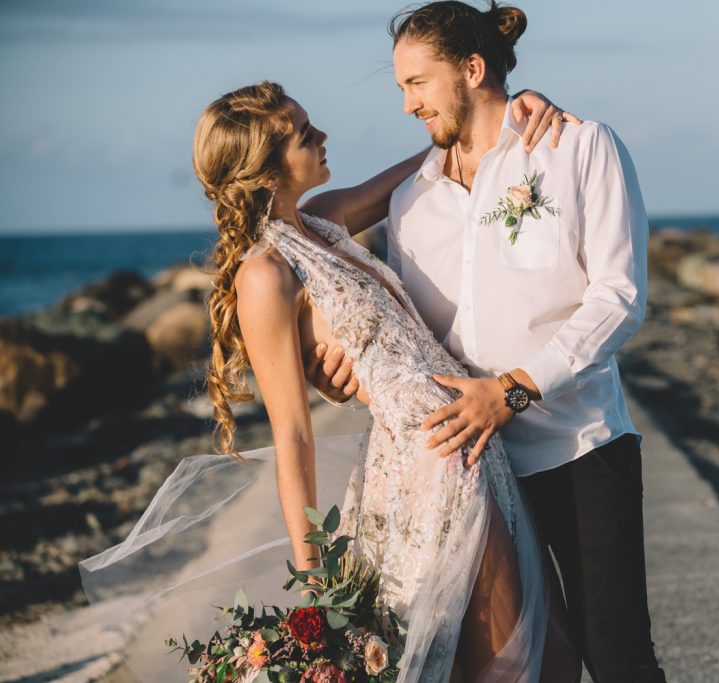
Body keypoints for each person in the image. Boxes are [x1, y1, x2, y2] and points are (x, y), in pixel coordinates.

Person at [80, 82, 580, 682]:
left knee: (550, 658)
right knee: (510, 665)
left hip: (472, 444)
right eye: (303, 135)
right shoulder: (264, 275)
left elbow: (430, 165)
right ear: (265, 175)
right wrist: (311, 570)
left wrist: (509, 109)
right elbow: (292, 432)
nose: (323, 137)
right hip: (429, 462)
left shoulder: (326, 218)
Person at [309, 2, 666, 681]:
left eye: (417, 83)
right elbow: (410, 331)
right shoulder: (411, 203)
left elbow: (619, 298)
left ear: (472, 69)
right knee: (508, 665)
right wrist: (339, 351)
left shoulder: (579, 148)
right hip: (471, 472)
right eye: (401, 89)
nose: (408, 103)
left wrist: (512, 390)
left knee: (617, 655)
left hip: (580, 446)